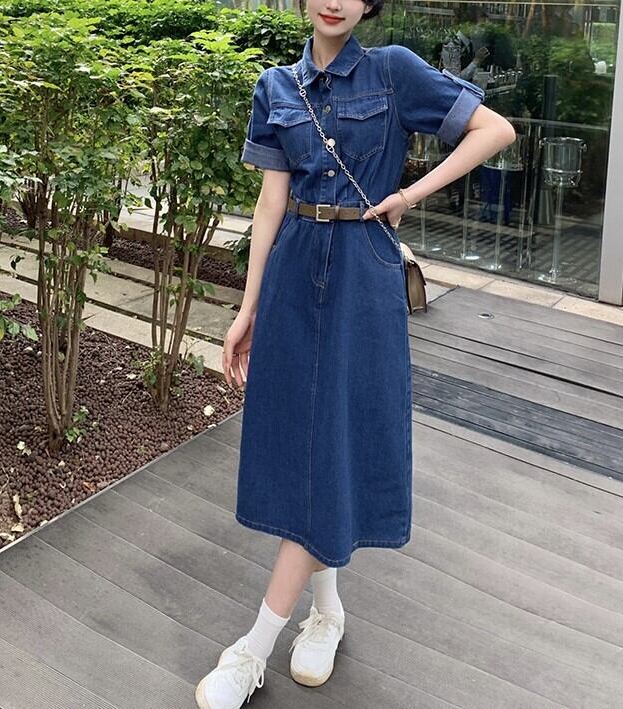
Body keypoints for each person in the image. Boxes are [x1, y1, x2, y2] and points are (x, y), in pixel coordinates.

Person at [195, 1, 516, 707]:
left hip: (361, 273)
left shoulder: (393, 71)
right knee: (305, 445)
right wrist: (248, 308)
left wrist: (409, 194)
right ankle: (328, 610)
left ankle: (252, 649)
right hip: (293, 267)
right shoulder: (276, 86)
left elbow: (495, 129)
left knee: (332, 445)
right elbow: (269, 204)